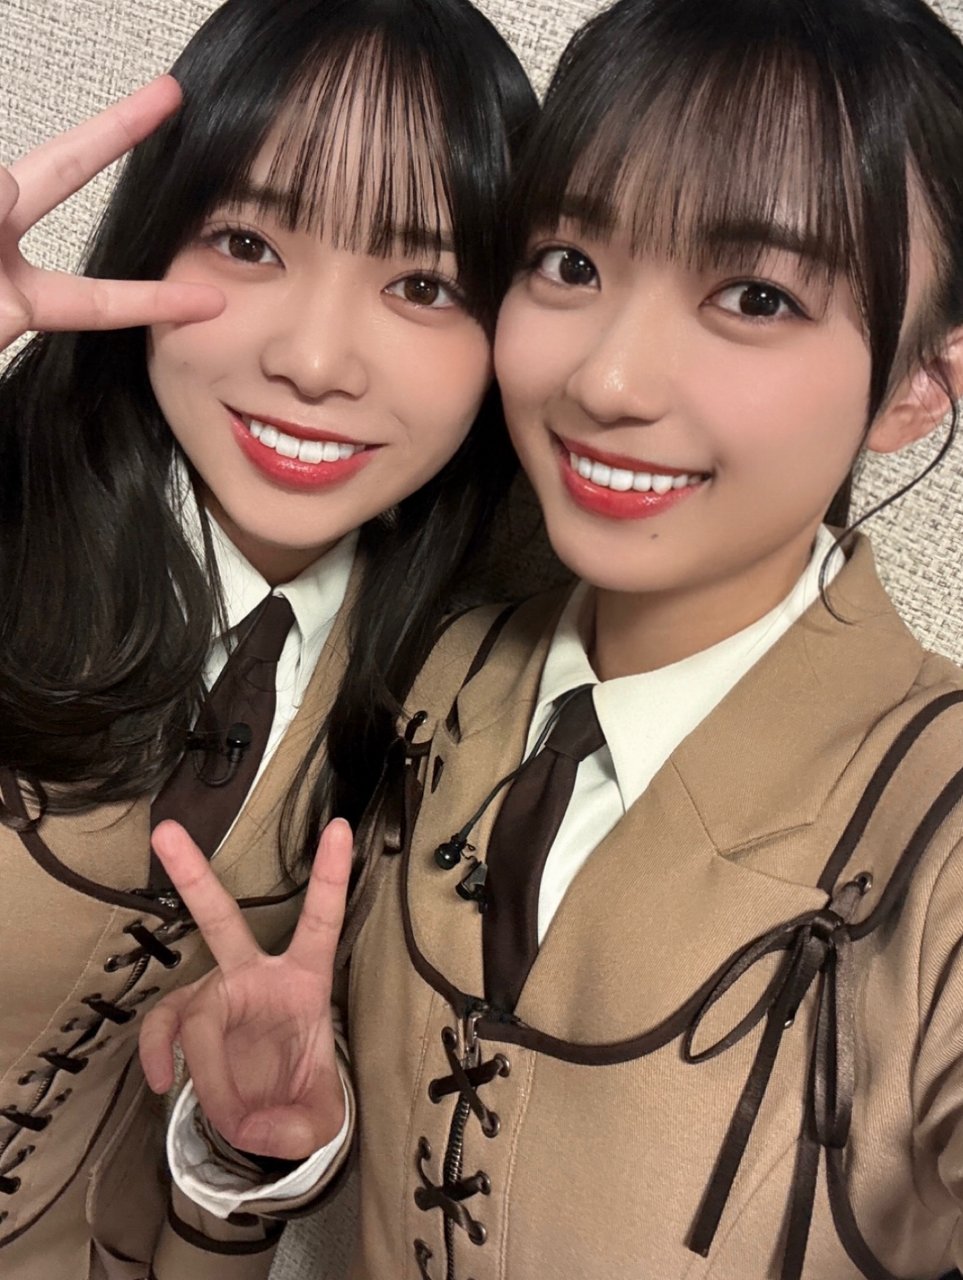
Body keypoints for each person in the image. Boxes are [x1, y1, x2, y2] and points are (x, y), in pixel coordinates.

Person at [143, 0, 963, 1275]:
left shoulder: (939, 819)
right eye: (571, 264)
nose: (606, 380)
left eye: (755, 294)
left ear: (920, 383)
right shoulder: (430, 666)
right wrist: (267, 1143)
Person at [0, 1, 537, 1276]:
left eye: (422, 284)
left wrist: (245, 1154)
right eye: (248, 241)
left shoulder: (451, 697)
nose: (314, 359)